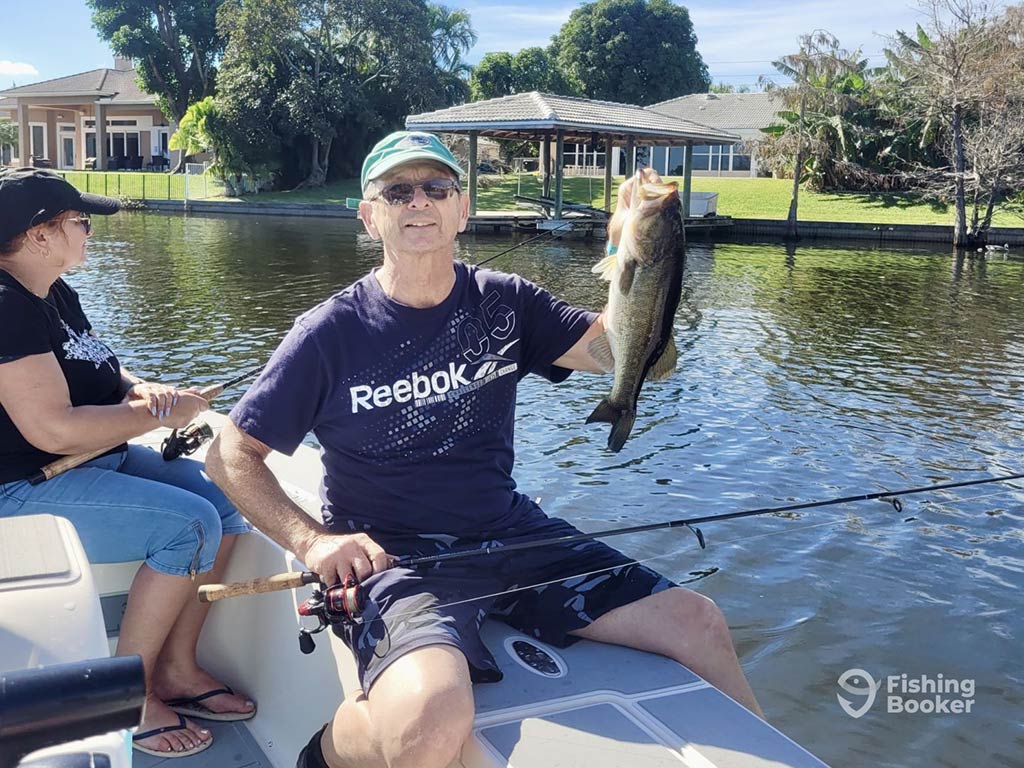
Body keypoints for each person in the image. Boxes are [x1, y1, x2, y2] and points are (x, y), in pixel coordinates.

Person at [206, 132, 762, 768]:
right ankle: (328, 753)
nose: (420, 202)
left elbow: (637, 361)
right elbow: (228, 456)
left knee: (701, 625)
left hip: (511, 535)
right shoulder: (329, 334)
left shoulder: (505, 301)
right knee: (430, 720)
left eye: (437, 188)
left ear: (461, 209)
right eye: (398, 191)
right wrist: (315, 542)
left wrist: (628, 254)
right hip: (395, 559)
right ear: (369, 215)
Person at [0, 168, 255, 758]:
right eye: (81, 223)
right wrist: (158, 418)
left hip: (92, 464)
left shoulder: (55, 291)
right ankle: (126, 698)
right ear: (40, 235)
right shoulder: (7, 305)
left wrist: (150, 391)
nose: (91, 233)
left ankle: (175, 670)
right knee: (188, 526)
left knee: (225, 496)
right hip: (20, 490)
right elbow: (53, 428)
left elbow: (105, 373)